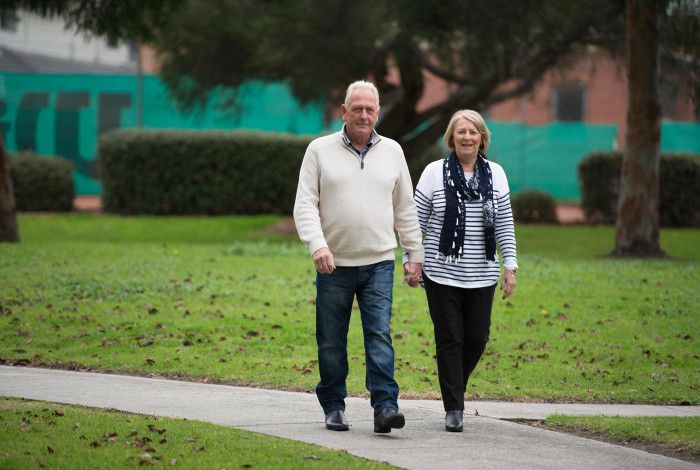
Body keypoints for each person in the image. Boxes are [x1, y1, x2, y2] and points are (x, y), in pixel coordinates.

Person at [293, 80, 424, 433]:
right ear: (344, 112)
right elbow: (305, 204)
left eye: (370, 109)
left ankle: (385, 407)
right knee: (332, 340)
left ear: (377, 113)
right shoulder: (319, 150)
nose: (363, 114)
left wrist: (414, 254)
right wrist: (317, 245)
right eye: (357, 108)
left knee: (379, 335)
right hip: (333, 263)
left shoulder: (393, 152)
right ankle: (334, 406)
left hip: (379, 262)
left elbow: (405, 208)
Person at [410, 109, 517, 432]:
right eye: (461, 132)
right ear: (451, 138)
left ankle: (454, 383)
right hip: (440, 274)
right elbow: (415, 221)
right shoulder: (433, 172)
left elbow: (504, 224)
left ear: (482, 138)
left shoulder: (496, 174)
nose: (467, 137)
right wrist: (411, 259)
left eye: (473, 132)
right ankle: (454, 407)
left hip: (482, 274)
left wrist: (510, 265)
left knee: (477, 337)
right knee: (450, 339)